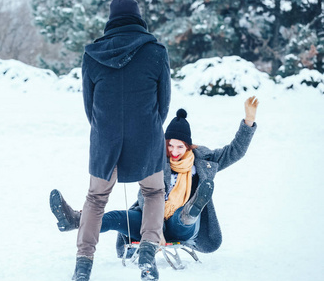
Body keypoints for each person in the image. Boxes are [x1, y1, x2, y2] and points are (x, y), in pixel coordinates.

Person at [50, 96, 259, 279]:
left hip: (181, 226)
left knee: (184, 217)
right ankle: (76, 220)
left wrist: (248, 122)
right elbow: (144, 193)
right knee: (114, 217)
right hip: (148, 220)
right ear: (164, 143)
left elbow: (234, 152)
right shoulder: (154, 159)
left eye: (180, 146)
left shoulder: (202, 160)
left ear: (188, 146)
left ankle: (194, 207)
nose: (174, 151)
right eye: (170, 145)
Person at [50, 0, 171, 281]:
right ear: (138, 18)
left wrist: (106, 129)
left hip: (105, 140)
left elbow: (88, 106)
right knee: (154, 193)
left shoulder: (92, 55)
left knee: (95, 198)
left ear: (111, 20)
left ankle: (83, 264)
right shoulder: (156, 52)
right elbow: (163, 102)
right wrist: (149, 126)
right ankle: (147, 254)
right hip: (147, 135)